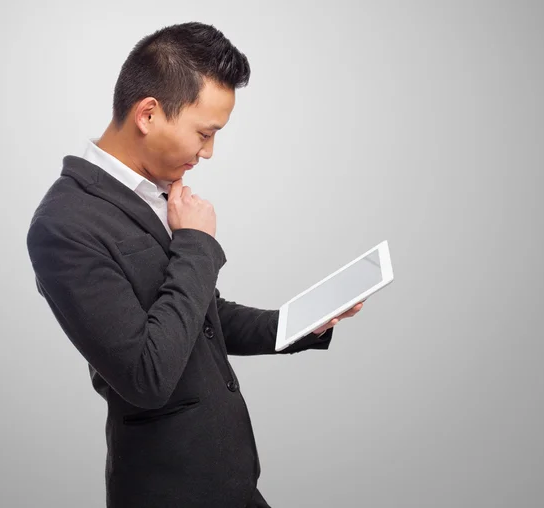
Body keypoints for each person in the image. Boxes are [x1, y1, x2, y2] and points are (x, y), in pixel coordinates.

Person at [26, 21, 363, 508]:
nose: (208, 152)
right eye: (204, 133)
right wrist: (195, 243)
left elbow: (201, 318)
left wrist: (301, 324)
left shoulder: (155, 194)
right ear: (148, 114)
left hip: (231, 482)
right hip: (169, 491)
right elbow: (146, 373)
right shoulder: (63, 226)